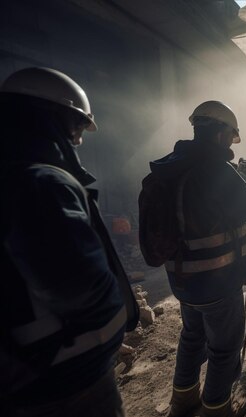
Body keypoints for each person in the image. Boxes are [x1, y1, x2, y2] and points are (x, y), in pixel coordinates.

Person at [0, 67, 138, 416]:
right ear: (52, 118)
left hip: (31, 372)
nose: (78, 140)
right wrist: (113, 314)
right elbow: (76, 284)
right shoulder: (41, 182)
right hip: (66, 378)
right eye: (77, 126)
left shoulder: (14, 172)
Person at [147, 101, 246, 417]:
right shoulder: (215, 168)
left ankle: (183, 399)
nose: (230, 144)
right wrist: (244, 180)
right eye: (230, 136)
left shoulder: (174, 164)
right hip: (218, 280)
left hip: (183, 280)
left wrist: (235, 175)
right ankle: (217, 409)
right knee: (224, 349)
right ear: (221, 133)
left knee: (192, 337)